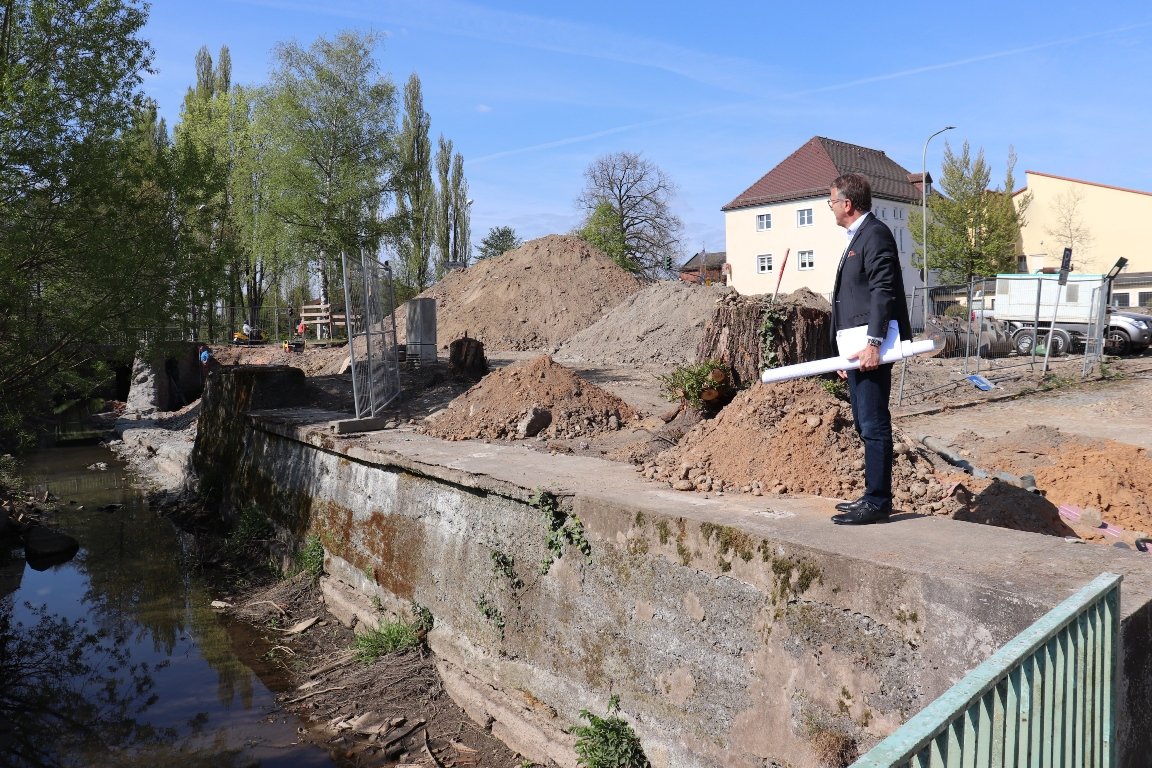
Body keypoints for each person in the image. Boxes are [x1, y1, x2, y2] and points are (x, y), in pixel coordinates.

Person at [828, 173, 912, 525]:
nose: (830, 207)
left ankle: (878, 502)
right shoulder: (857, 237)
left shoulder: (874, 234)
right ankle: (871, 496)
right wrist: (842, 353)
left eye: (831, 201)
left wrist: (873, 343)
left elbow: (883, 291)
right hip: (855, 349)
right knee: (865, 423)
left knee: (874, 424)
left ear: (847, 203)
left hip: (870, 348)